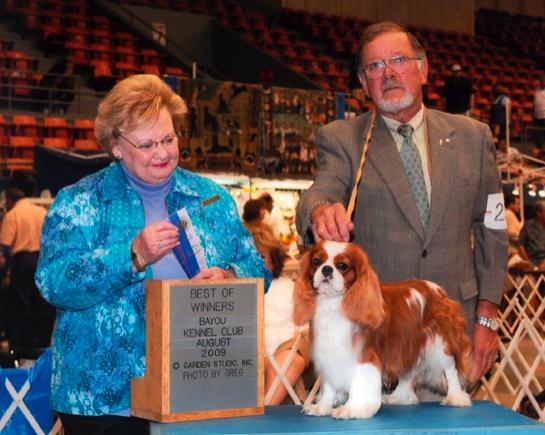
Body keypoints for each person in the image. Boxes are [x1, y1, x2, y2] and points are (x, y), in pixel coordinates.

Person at [35, 74, 270, 435]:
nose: (162, 153)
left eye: (168, 138)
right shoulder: (79, 201)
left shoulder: (210, 197)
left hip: (200, 386)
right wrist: (130, 256)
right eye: (146, 145)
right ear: (116, 145)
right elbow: (53, 281)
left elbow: (258, 267)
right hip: (104, 398)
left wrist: (230, 275)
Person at [296, 21, 508, 384]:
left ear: (423, 69)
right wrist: (319, 210)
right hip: (380, 336)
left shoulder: (474, 138)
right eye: (375, 67)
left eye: (399, 60)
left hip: (450, 329)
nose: (389, 73)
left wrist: (486, 317)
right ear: (364, 84)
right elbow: (322, 190)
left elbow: (493, 229)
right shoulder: (342, 139)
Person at [251, 228, 309, 405]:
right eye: (248, 256)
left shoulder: (289, 287)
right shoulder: (235, 293)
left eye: (261, 257)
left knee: (293, 357)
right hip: (254, 357)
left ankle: (265, 408)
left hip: (287, 350)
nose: (254, 262)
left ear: (274, 260)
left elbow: (305, 327)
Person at [0, 187, 54, 351]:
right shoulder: (41, 212)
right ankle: (40, 341)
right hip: (42, 259)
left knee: (21, 305)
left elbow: (5, 249)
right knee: (40, 304)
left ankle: (23, 344)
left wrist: (4, 274)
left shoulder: (12, 215)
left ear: (9, 200)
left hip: (22, 262)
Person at [518, 200, 545, 268]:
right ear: (538, 213)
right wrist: (528, 263)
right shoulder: (528, 225)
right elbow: (520, 246)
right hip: (532, 260)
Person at [489, 84, 511, 152]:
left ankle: (503, 151)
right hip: (494, 122)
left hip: (500, 122)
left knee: (500, 138)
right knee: (495, 138)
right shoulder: (496, 99)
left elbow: (508, 110)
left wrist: (507, 122)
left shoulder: (505, 99)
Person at [505, 194, 522, 260]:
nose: (519, 206)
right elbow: (511, 233)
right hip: (512, 250)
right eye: (517, 204)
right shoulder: (509, 214)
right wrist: (524, 239)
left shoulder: (506, 213)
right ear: (511, 204)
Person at [532, 73, 545, 158]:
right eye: (541, 80)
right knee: (536, 135)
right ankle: (538, 153)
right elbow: (535, 102)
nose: (542, 82)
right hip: (537, 117)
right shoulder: (537, 90)